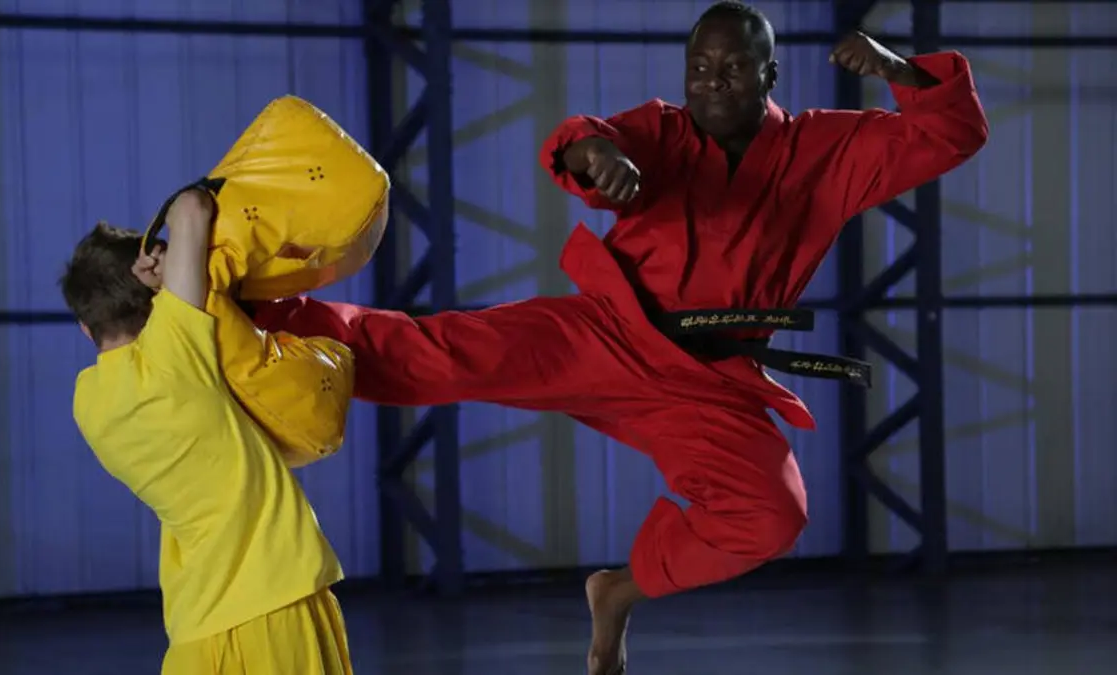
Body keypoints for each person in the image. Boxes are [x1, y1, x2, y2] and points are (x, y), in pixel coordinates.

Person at [250, 2, 988, 673]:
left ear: (770, 74)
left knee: (770, 514)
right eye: (699, 67)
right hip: (608, 331)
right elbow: (585, 140)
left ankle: (619, 591)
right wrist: (597, 158)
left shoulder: (828, 149)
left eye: (734, 67)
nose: (713, 82)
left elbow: (951, 133)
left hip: (707, 378)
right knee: (442, 351)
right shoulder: (663, 131)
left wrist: (899, 71)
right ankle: (264, 321)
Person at [60, 189, 354, 674]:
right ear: (154, 298)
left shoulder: (87, 402)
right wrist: (168, 256)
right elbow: (193, 209)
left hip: (195, 629)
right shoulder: (174, 351)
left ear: (85, 329)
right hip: (275, 604)